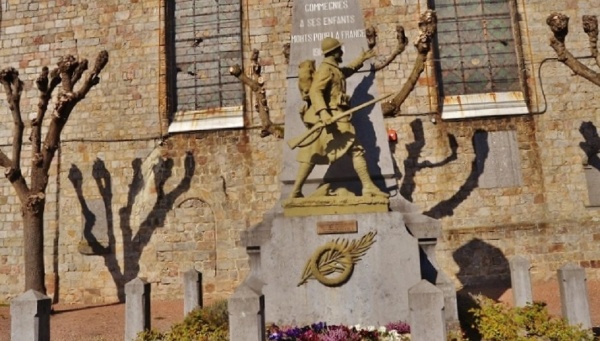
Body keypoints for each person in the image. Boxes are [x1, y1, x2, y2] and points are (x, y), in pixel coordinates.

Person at [289, 37, 388, 199]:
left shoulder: (333, 69)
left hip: (334, 117)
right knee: (354, 150)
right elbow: (315, 91)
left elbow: (345, 72)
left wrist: (360, 60)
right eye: (339, 50)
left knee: (312, 154)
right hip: (332, 118)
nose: (342, 52)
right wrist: (324, 113)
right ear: (335, 52)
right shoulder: (325, 70)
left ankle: (295, 191)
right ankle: (368, 187)